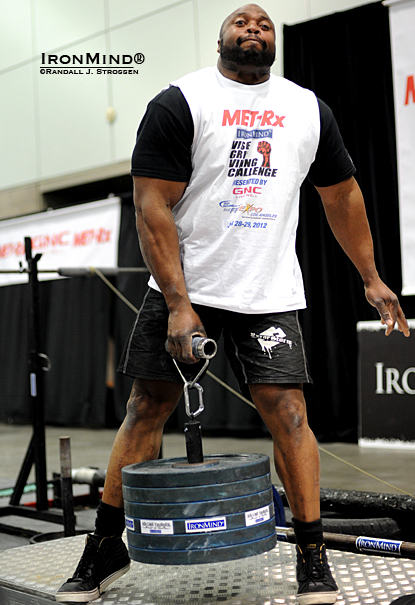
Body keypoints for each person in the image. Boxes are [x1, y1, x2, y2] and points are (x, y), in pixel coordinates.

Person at [56, 3, 410, 604]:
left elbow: (342, 196)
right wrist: (177, 303)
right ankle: (105, 549)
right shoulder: (182, 101)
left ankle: (311, 554)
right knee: (146, 408)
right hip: (185, 290)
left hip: (267, 290)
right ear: (220, 39)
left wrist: (372, 278)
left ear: (275, 43)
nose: (253, 27)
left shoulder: (305, 108)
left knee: (291, 415)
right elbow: (151, 206)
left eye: (264, 23)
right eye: (241, 22)